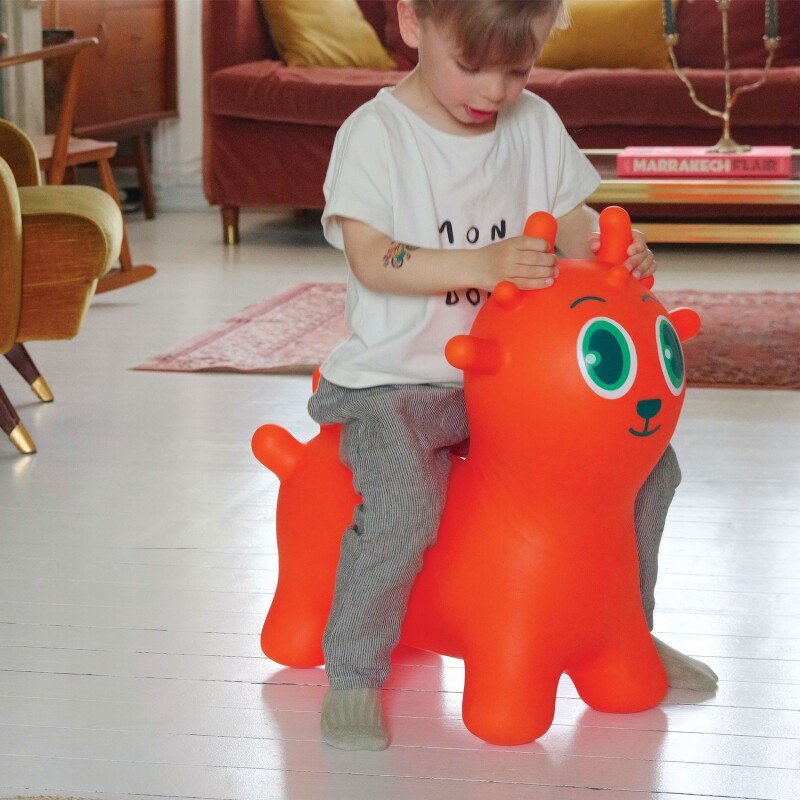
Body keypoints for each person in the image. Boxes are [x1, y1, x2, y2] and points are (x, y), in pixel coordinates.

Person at [309, 0, 718, 752]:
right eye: (472, 66)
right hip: (397, 385)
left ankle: (629, 627)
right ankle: (356, 671)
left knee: (647, 473)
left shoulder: (534, 126)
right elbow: (373, 259)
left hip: (517, 390)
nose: (495, 91)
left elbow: (577, 229)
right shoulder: (376, 136)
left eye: (518, 69)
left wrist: (618, 253)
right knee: (403, 509)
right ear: (413, 23)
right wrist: (483, 263)